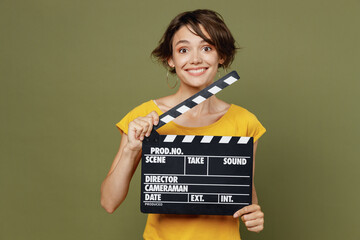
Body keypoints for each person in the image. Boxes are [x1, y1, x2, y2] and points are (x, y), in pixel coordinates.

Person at [101, 9, 266, 240]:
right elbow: (109, 202)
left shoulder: (245, 122)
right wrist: (131, 149)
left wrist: (254, 214)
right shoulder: (144, 117)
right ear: (171, 58)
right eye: (183, 49)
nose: (195, 59)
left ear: (222, 56)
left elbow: (243, 193)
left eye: (207, 47)